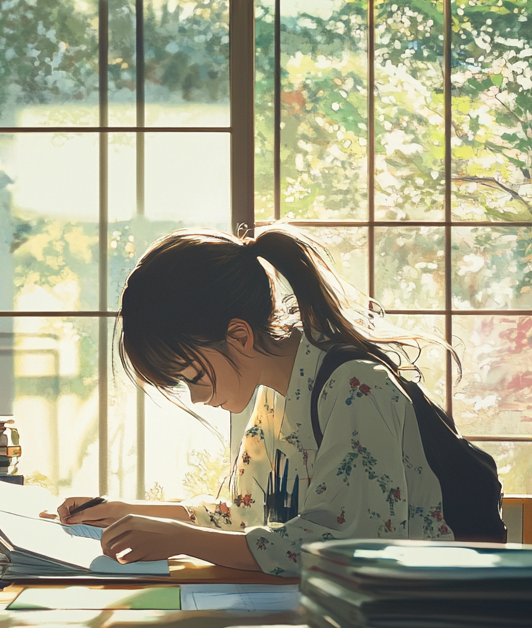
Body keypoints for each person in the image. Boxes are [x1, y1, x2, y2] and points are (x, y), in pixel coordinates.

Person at [55, 226, 455, 577]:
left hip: (411, 616)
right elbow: (245, 515)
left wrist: (182, 540)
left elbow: (343, 546)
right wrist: (131, 512)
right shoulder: (275, 394)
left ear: (240, 336)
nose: (196, 397)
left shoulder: (357, 387)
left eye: (194, 376)